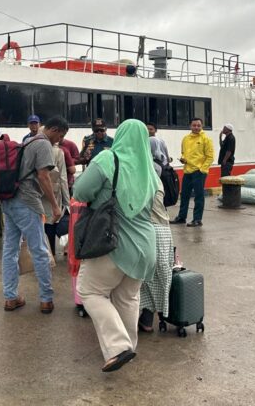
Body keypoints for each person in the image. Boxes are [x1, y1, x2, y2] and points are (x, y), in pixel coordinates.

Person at [73, 119, 158, 373]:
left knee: (90, 291)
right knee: (127, 297)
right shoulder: (150, 169)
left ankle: (119, 347)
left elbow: (80, 190)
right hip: (145, 245)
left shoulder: (108, 159)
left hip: (114, 241)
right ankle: (127, 348)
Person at [1, 115, 68, 314]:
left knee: (10, 250)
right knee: (39, 250)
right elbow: (43, 176)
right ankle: (46, 299)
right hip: (28, 201)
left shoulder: (27, 141)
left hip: (9, 200)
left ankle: (10, 297)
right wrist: (55, 206)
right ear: (55, 130)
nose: (60, 140)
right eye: (61, 135)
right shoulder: (43, 144)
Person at [138, 183, 174, 333]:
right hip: (165, 230)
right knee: (157, 278)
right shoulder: (157, 179)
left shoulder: (143, 180)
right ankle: (148, 320)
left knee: (144, 278)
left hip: (150, 230)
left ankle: (144, 320)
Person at [170, 118, 214, 227]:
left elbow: (210, 157)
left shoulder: (206, 139)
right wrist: (183, 159)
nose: (196, 127)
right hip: (187, 171)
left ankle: (197, 219)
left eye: (198, 125)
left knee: (198, 196)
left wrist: (202, 170)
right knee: (184, 195)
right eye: (194, 125)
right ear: (190, 126)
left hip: (199, 172)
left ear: (202, 126)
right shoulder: (185, 139)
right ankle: (181, 217)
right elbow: (184, 152)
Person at [43, 138, 70, 255]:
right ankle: (51, 253)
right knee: (52, 221)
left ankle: (43, 253)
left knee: (41, 222)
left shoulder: (32, 148)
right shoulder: (58, 152)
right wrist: (67, 201)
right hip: (54, 191)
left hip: (36, 192)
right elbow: (63, 177)